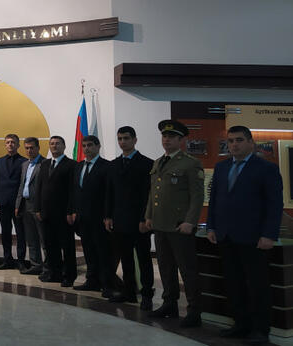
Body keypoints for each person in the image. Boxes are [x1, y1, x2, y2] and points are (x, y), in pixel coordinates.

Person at [207, 125, 282, 344]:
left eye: (239, 140)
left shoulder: (266, 168)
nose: (234, 145)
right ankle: (240, 324)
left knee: (257, 286)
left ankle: (260, 330)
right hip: (226, 236)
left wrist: (269, 234)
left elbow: (274, 205)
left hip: (254, 238)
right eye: (230, 141)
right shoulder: (221, 167)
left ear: (251, 142)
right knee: (234, 283)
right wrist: (211, 226)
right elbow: (214, 200)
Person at [143, 119, 204, 328]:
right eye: (164, 136)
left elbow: (197, 196)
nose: (166, 140)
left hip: (180, 226)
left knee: (187, 270)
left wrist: (190, 221)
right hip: (160, 225)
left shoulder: (190, 163)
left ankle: (194, 311)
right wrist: (149, 216)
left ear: (181, 140)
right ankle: (170, 304)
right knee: (166, 268)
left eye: (171, 137)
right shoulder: (158, 162)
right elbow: (153, 193)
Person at [104, 126, 154, 308]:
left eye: (126, 138)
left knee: (144, 259)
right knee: (125, 259)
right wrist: (108, 216)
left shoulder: (147, 163)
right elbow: (109, 192)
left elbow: (149, 195)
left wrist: (144, 218)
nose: (122, 142)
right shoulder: (113, 165)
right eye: (120, 139)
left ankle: (147, 294)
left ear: (135, 140)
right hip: (119, 220)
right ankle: (129, 292)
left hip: (139, 221)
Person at [69, 135, 115, 298]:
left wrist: (108, 215)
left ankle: (107, 284)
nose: (86, 148)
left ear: (98, 146)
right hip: (82, 217)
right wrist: (73, 210)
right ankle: (92, 280)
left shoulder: (107, 166)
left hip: (99, 218)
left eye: (90, 145)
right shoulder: (78, 166)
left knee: (103, 252)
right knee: (88, 251)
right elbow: (75, 191)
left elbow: (109, 193)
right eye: (84, 146)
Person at [33, 135, 77, 287]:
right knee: (51, 246)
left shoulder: (71, 165)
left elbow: (72, 191)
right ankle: (55, 273)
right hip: (46, 213)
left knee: (67, 246)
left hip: (64, 214)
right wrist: (37, 208)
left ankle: (69, 276)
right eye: (52, 143)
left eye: (58, 143)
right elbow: (39, 187)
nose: (54, 146)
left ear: (64, 146)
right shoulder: (45, 164)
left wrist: (70, 211)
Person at [0, 134, 27, 270]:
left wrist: (22, 202)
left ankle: (21, 261)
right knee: (5, 233)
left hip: (18, 204)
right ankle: (7, 259)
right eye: (8, 142)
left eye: (13, 142)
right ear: (5, 144)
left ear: (18, 145)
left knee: (20, 233)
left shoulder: (24, 162)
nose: (10, 144)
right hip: (3, 203)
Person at [15, 137, 45, 275]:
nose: (29, 150)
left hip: (38, 206)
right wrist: (18, 205)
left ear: (38, 148)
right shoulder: (24, 164)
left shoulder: (45, 163)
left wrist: (42, 207)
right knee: (31, 238)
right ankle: (35, 265)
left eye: (32, 148)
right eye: (26, 148)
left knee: (44, 239)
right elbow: (22, 185)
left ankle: (48, 267)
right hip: (25, 205)